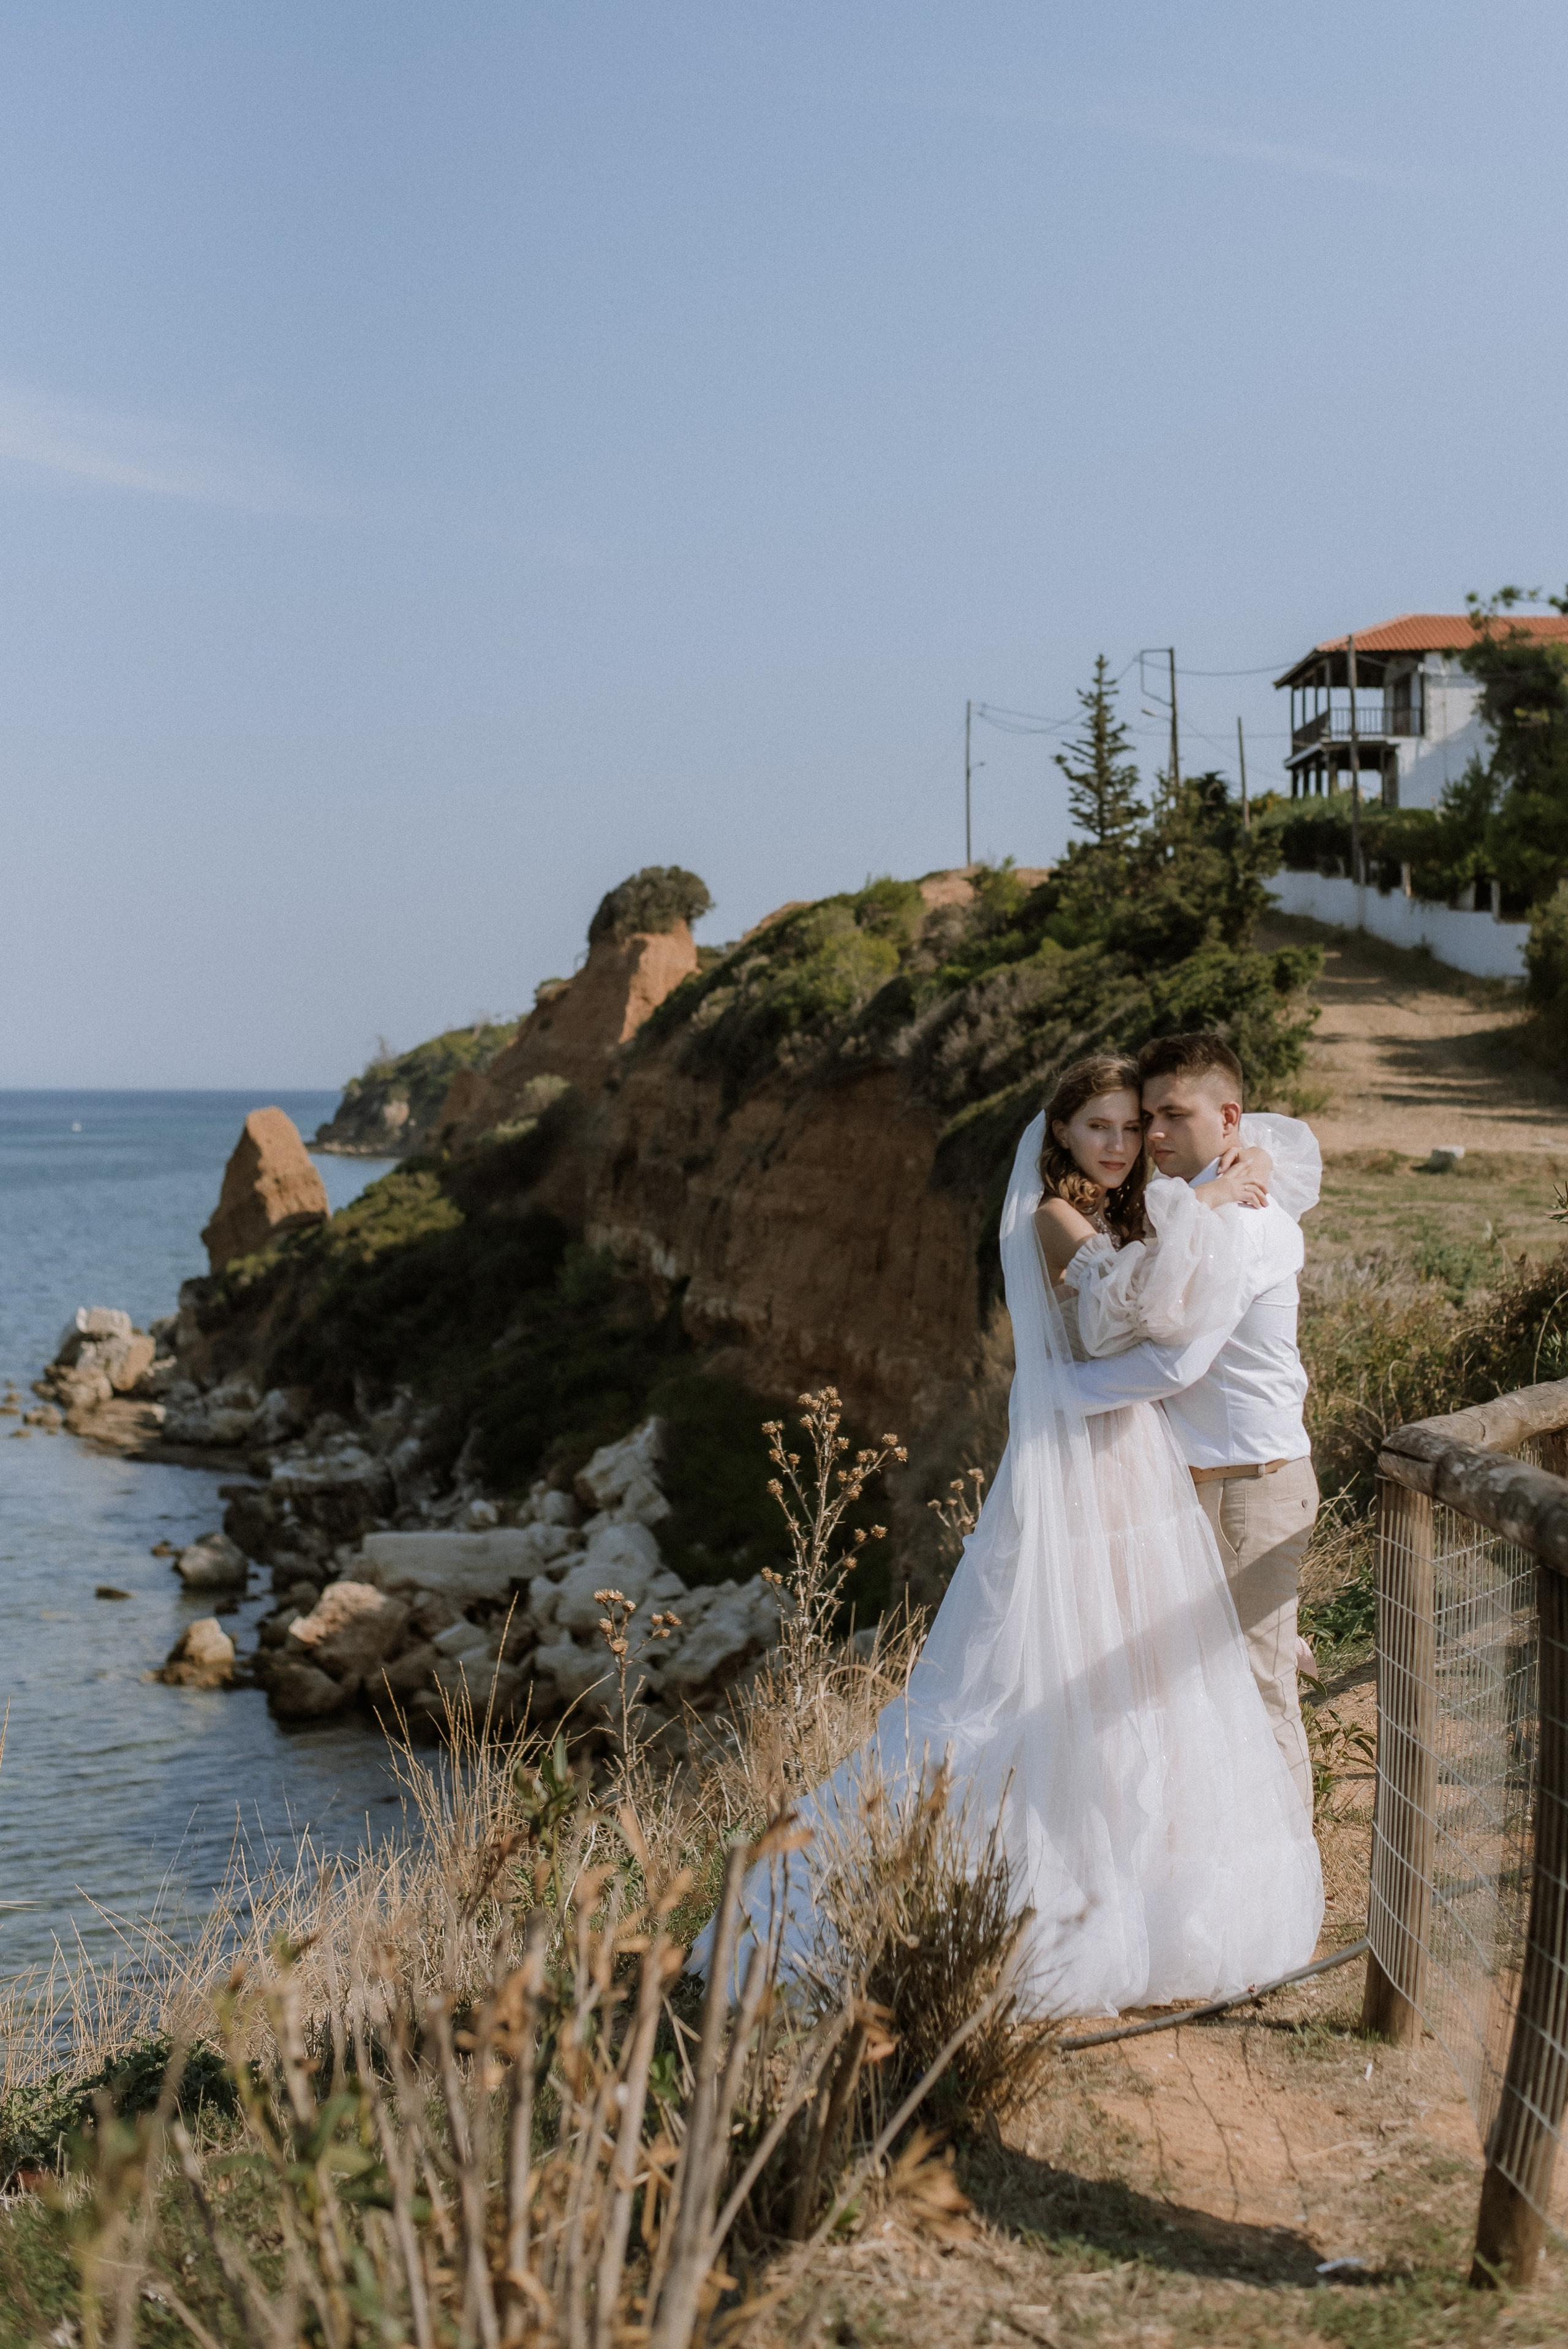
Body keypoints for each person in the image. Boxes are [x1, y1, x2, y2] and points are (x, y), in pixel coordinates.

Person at [701, 1048, 1324, 2021]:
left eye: (1135, 1126)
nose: (1126, 1143)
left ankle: (1159, 1885)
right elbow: (1131, 1323)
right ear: (1060, 1133)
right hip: (1096, 1463)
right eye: (1104, 1126)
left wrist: (1222, 1180)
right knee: (1050, 1678)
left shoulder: (1135, 1209)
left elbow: (1222, 1200)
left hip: (1148, 1467)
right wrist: (1202, 1204)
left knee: (1151, 1688)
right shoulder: (1055, 1217)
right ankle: (955, 1886)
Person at [1067, 1034, 1321, 1813]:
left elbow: (1178, 1366)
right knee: (1201, 1694)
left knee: (1258, 1691)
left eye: (1172, 1115)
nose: (1154, 1135)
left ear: (1229, 1119)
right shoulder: (1201, 1202)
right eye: (1147, 1117)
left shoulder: (1241, 1219)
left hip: (1250, 1488)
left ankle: (1293, 1874)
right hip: (1199, 1487)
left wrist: (1057, 1393)